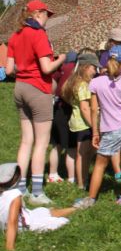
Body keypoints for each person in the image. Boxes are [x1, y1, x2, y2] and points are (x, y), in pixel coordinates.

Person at [6, 0, 66, 205]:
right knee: (41, 143)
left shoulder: (15, 35)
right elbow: (47, 68)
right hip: (38, 89)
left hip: (20, 88)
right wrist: (61, 58)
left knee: (26, 141)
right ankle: (38, 193)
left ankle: (20, 188)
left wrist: (24, 69)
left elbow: (8, 70)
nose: (48, 18)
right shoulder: (38, 34)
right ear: (38, 13)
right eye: (47, 14)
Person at [73, 46, 121, 208]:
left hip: (110, 129)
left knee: (100, 164)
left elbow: (94, 109)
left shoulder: (96, 82)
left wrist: (95, 132)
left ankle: (91, 199)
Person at [0, 163, 76, 251]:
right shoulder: (14, 195)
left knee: (45, 211)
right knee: (62, 221)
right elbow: (12, 222)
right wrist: (9, 247)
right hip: (27, 225)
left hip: (27, 215)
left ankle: (76, 208)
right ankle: (77, 208)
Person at [61, 53, 100, 190]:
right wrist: (94, 126)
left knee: (85, 154)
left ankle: (84, 179)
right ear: (85, 67)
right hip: (84, 124)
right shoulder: (83, 85)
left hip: (76, 122)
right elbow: (84, 108)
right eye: (94, 68)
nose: (95, 71)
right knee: (83, 155)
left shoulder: (73, 82)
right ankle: (81, 184)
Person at [49, 51, 77, 183]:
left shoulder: (60, 68)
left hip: (57, 108)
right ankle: (72, 178)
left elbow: (52, 85)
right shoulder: (75, 69)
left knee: (57, 145)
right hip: (68, 109)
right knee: (71, 146)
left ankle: (52, 173)